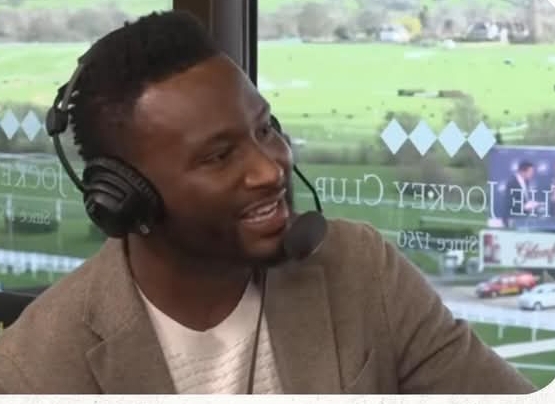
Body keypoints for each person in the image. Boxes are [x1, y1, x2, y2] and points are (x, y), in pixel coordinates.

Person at [0, 11, 536, 394]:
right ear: (124, 200)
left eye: (264, 129)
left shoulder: (361, 268)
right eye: (218, 156)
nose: (270, 168)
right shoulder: (35, 368)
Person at [502, 161, 539, 227]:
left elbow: (523, 198)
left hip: (522, 218)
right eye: (530, 172)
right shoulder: (512, 183)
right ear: (522, 172)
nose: (532, 174)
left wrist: (530, 204)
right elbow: (509, 203)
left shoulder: (526, 181)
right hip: (512, 219)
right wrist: (524, 207)